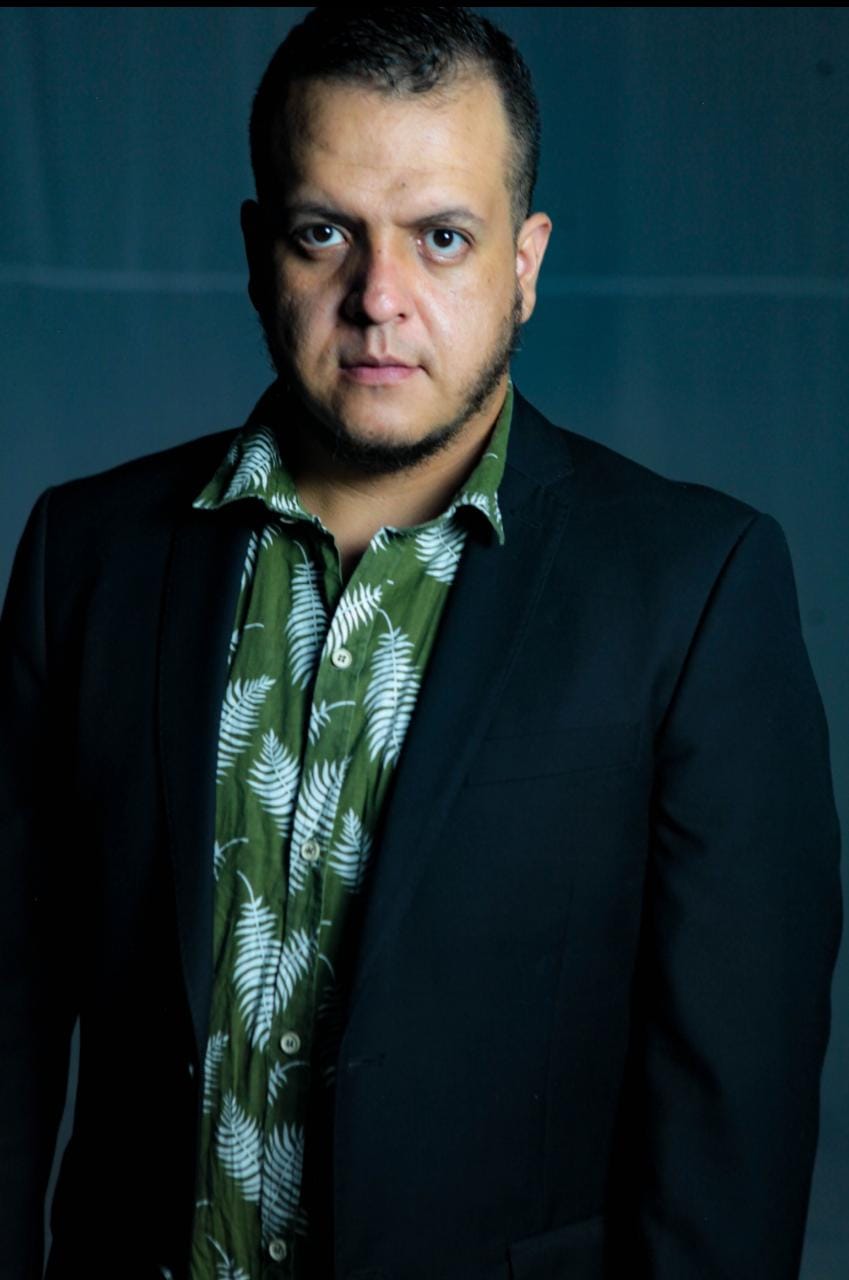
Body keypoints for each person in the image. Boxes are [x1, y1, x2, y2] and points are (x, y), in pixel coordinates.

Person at [0, 7, 841, 1279]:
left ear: (525, 263)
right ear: (259, 253)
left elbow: (733, 1139)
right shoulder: (86, 556)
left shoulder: (696, 587)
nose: (379, 298)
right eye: (324, 232)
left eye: (442, 237)